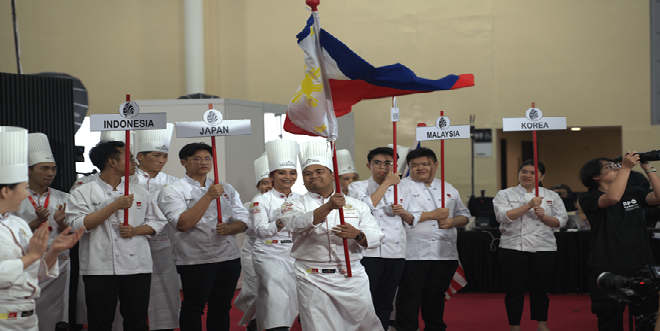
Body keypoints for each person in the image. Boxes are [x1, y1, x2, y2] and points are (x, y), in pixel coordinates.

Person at [279, 140, 384, 331]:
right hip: (312, 276)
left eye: (319, 171)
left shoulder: (357, 205)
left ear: (332, 175)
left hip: (351, 276)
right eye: (308, 173)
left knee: (366, 325)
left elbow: (376, 236)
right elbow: (295, 224)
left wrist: (357, 234)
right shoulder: (292, 204)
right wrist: (328, 207)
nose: (314, 176)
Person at [66, 140, 167, 331]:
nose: (135, 162)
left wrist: (136, 231)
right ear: (112, 162)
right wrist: (114, 206)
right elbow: (76, 225)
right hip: (99, 268)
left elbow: (158, 222)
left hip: (137, 268)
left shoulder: (139, 192)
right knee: (100, 323)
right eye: (129, 158)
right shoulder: (83, 192)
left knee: (137, 322)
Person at [0, 126, 84, 331]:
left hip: (27, 317)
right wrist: (33, 255)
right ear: (5, 191)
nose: (24, 194)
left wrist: (55, 248)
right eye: (21, 188)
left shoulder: (16, 223)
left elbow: (36, 272)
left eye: (53, 168)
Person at [158, 142, 249, 331]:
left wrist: (231, 228)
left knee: (221, 308)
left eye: (207, 158)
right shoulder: (173, 190)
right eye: (196, 159)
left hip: (228, 257)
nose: (203, 163)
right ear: (183, 162)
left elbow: (243, 220)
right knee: (193, 307)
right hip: (195, 259)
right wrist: (208, 196)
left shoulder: (226, 188)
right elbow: (182, 224)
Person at [578, 153, 660, 331]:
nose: (616, 167)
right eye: (610, 167)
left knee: (647, 316)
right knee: (610, 316)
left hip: (640, 263)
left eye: (617, 166)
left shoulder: (633, 193)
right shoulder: (588, 198)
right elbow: (612, 197)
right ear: (595, 176)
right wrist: (625, 167)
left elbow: (658, 197)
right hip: (608, 265)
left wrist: (648, 169)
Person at [394, 147, 471, 331]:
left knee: (435, 296)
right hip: (414, 253)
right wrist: (432, 215)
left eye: (425, 164)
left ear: (435, 165)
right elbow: (400, 214)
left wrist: (453, 221)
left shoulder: (448, 187)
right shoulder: (401, 187)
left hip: (445, 254)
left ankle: (435, 328)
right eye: (414, 165)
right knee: (410, 296)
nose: (420, 168)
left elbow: (465, 215)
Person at [348, 146, 422, 331]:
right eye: (378, 163)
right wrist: (386, 184)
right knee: (364, 300)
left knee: (386, 301)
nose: (383, 167)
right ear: (369, 165)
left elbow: (414, 218)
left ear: (395, 164)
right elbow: (362, 209)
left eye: (388, 163)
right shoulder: (357, 186)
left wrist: (403, 212)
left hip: (396, 252)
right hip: (368, 252)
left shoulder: (405, 188)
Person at [493, 159, 568, 331]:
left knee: (540, 289)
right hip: (513, 247)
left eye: (533, 173)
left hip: (544, 247)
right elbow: (503, 217)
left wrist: (544, 217)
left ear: (542, 176)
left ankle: (542, 324)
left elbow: (561, 222)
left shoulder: (552, 195)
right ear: (518, 173)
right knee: (514, 290)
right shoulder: (505, 194)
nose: (527, 175)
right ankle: (514, 326)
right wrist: (528, 205)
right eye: (524, 171)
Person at [12, 133, 72, 331]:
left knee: (52, 316)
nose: (50, 173)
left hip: (58, 264)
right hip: (25, 262)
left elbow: (73, 235)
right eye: (44, 168)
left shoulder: (64, 197)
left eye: (53, 169)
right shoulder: (15, 197)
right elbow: (7, 235)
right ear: (28, 171)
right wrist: (37, 221)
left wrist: (62, 223)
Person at [131, 124, 180, 331]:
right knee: (131, 293)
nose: (161, 160)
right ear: (140, 156)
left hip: (164, 245)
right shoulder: (126, 181)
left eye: (165, 156)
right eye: (156, 155)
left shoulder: (174, 183)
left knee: (165, 288)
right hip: (130, 243)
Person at [250, 139, 302, 331]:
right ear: (272, 176)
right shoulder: (261, 200)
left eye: (292, 172)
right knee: (275, 295)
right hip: (269, 253)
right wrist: (282, 220)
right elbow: (260, 230)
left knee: (291, 299)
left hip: (295, 253)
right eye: (282, 173)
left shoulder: (301, 199)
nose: (287, 177)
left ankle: (260, 325)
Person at [236, 153, 271, 331]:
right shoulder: (248, 205)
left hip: (283, 252)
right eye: (265, 182)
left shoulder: (292, 202)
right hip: (254, 251)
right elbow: (247, 228)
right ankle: (254, 321)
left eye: (271, 181)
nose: (269, 186)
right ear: (258, 185)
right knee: (253, 289)